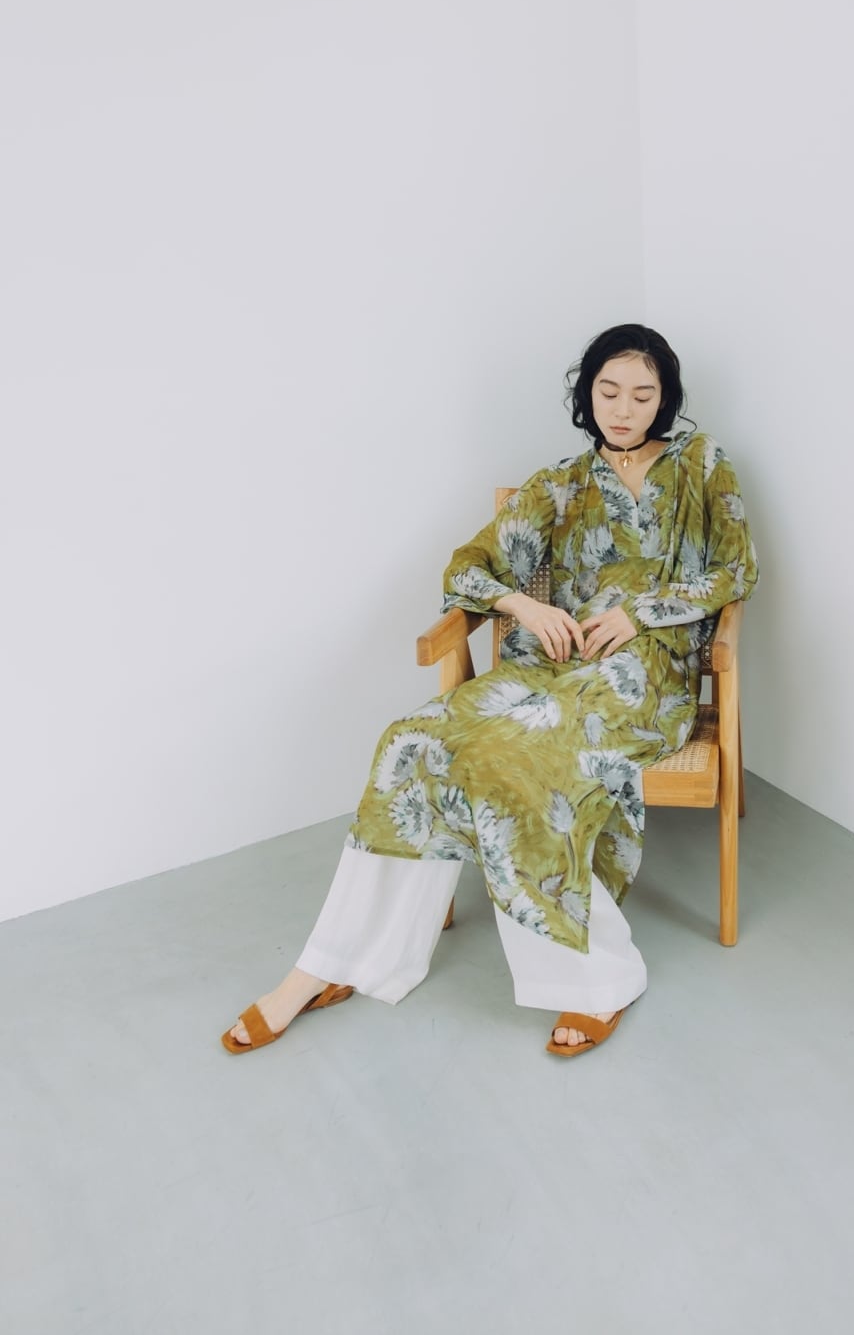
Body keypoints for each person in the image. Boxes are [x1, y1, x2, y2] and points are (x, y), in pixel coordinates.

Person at [222, 323, 758, 1058]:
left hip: (643, 674)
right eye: (608, 392)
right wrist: (523, 606)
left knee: (519, 757)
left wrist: (639, 614)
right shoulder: (558, 485)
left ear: (664, 398)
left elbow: (736, 571)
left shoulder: (702, 464)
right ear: (587, 394)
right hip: (549, 665)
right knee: (409, 741)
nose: (623, 409)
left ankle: (597, 981)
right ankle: (333, 962)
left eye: (642, 394)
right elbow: (467, 568)